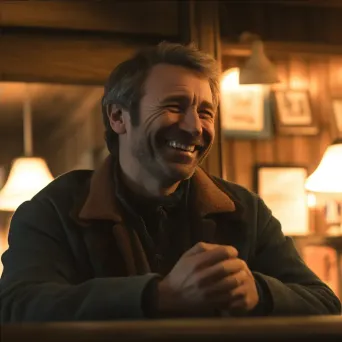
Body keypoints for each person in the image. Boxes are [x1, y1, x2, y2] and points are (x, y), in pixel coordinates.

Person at [0, 42, 341, 322]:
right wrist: (159, 297)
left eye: (206, 112)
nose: (195, 127)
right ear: (118, 117)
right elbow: (16, 307)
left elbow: (325, 304)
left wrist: (260, 293)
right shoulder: (53, 210)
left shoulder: (245, 209)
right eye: (175, 106)